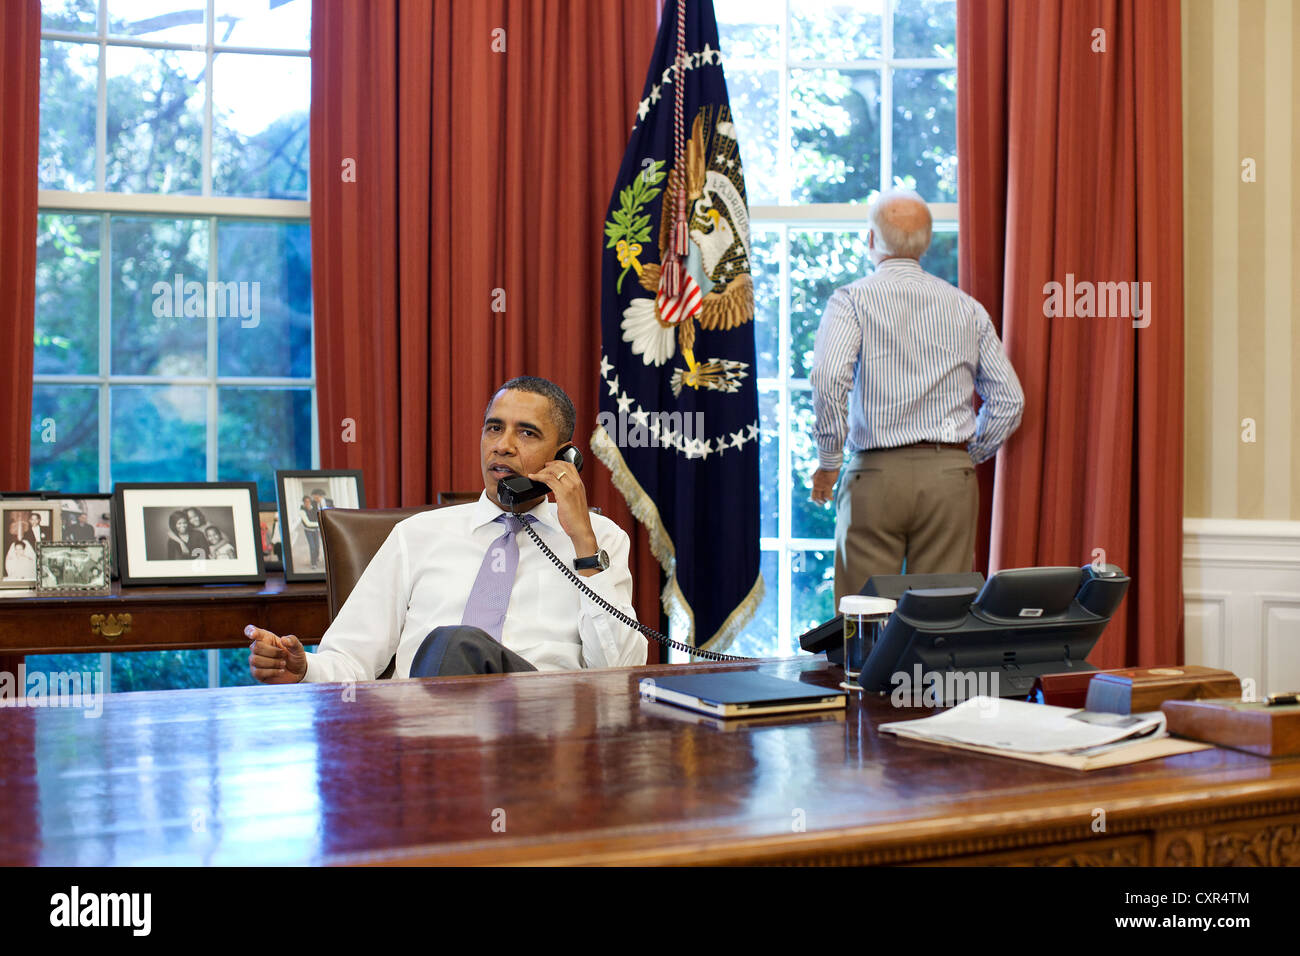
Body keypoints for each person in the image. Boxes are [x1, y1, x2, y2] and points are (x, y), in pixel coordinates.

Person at [246, 376, 647, 682]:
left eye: (526, 432)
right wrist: (302, 669)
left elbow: (619, 670)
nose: (502, 445)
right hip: (425, 724)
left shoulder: (599, 539)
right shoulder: (416, 536)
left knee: (455, 642)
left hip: (542, 736)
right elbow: (350, 657)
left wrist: (582, 543)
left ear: (564, 457)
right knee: (451, 643)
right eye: (494, 428)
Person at [809, 188, 1025, 605]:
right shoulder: (967, 308)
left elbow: (829, 377)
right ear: (925, 244)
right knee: (942, 619)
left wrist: (829, 461)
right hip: (950, 480)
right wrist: (964, 456)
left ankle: (865, 675)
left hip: (875, 476)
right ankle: (932, 677)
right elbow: (1010, 401)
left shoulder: (852, 299)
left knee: (863, 617)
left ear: (871, 240)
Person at [298, 496, 321, 569]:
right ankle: (313, 563)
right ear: (303, 502)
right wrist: (319, 524)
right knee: (312, 547)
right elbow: (308, 523)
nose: (307, 503)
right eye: (306, 502)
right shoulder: (302, 511)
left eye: (309, 501)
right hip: (308, 531)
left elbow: (319, 517)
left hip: (316, 530)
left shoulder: (314, 508)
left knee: (317, 546)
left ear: (310, 502)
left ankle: (316, 557)